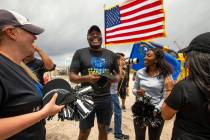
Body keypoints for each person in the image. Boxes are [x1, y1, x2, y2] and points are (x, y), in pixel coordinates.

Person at [0, 9, 64, 139]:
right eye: (31, 32)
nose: (35, 37)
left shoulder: (19, 66)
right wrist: (42, 113)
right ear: (11, 33)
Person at [69, 25, 119, 140]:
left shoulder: (111, 54)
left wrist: (114, 78)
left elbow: (117, 74)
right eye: (92, 34)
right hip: (85, 98)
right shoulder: (80, 53)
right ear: (88, 38)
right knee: (84, 132)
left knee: (104, 130)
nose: (95, 35)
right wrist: (86, 78)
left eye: (98, 34)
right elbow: (72, 76)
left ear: (102, 37)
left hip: (106, 98)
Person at [161, 32, 210, 140]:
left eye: (185, 56)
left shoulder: (185, 87)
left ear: (195, 58)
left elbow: (165, 115)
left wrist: (169, 88)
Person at [132, 48, 174, 140]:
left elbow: (165, 96)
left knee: (154, 138)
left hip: (157, 112)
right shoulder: (140, 72)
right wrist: (137, 92)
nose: (145, 57)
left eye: (148, 55)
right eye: (145, 55)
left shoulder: (165, 75)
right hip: (140, 109)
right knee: (139, 137)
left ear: (156, 59)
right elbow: (134, 90)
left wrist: (156, 109)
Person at [109, 53, 129, 140]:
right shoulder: (111, 69)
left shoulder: (116, 69)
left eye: (124, 60)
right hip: (110, 94)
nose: (124, 61)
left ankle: (106, 128)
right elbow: (114, 80)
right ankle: (118, 134)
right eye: (122, 59)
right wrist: (120, 68)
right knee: (118, 113)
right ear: (117, 60)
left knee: (110, 112)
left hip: (112, 93)